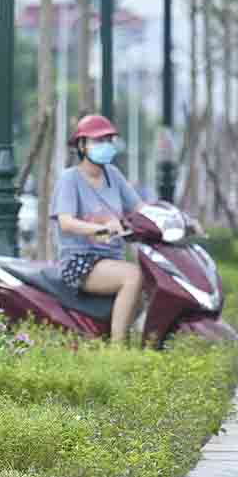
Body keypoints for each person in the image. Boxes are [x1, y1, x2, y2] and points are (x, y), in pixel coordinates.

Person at [49, 112, 146, 345]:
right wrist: (98, 229)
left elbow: (140, 207)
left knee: (149, 284)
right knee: (134, 276)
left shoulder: (113, 175)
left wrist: (175, 219)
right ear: (82, 145)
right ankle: (117, 348)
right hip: (79, 261)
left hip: (111, 259)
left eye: (108, 141)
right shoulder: (70, 179)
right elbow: (66, 221)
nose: (105, 146)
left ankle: (125, 340)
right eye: (98, 141)